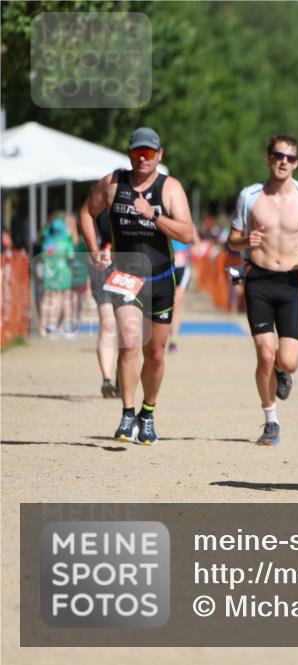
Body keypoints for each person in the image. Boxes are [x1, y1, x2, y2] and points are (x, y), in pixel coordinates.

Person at [80, 127, 195, 445]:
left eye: (149, 152)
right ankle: (127, 412)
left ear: (160, 154)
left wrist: (153, 215)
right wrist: (93, 249)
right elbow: (87, 213)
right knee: (129, 342)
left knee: (155, 352)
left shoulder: (169, 188)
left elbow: (187, 233)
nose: (142, 158)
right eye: (136, 152)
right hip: (125, 276)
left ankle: (148, 412)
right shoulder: (113, 183)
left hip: (160, 278)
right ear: (129, 154)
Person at [227, 134, 298, 447]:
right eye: (278, 156)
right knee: (265, 355)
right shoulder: (250, 196)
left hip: (292, 282)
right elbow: (232, 239)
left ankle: (284, 372)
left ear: (297, 163)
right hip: (259, 280)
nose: (284, 162)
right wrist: (245, 242)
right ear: (269, 158)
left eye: (290, 158)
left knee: (288, 360)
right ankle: (271, 420)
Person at [84, 209, 120, 398]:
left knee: (128, 324)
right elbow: (84, 221)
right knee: (108, 323)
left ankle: (123, 373)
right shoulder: (97, 198)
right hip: (103, 265)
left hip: (130, 264)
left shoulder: (140, 195)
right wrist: (95, 251)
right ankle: (107, 380)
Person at [39, 215, 75, 337]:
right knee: (60, 300)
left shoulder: (48, 242)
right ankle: (54, 325)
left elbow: (43, 258)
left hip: (49, 275)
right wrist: (69, 240)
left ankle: (43, 325)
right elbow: (71, 256)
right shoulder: (66, 242)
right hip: (63, 275)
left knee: (47, 299)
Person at [167, 227, 201, 353]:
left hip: (182, 268)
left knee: (176, 304)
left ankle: (173, 339)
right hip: (165, 267)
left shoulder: (188, 224)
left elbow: (197, 244)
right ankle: (163, 336)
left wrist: (188, 251)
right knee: (166, 304)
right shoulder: (162, 218)